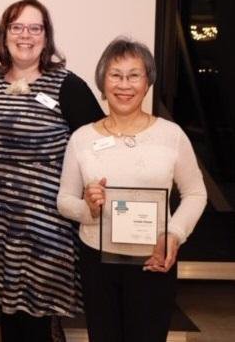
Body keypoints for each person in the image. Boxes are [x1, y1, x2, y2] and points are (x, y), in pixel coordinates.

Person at [0, 0, 104, 342]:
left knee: (37, 312)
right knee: (8, 309)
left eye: (35, 27)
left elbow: (97, 143)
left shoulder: (66, 84)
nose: (25, 35)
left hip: (43, 220)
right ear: (4, 34)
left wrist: (92, 190)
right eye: (17, 27)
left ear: (46, 36)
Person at [57, 37, 207, 342]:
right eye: (115, 75)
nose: (124, 85)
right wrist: (88, 207)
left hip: (153, 260)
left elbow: (195, 193)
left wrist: (174, 234)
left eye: (134, 75)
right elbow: (64, 200)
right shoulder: (82, 138)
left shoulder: (171, 135)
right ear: (103, 81)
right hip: (98, 261)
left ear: (147, 80)